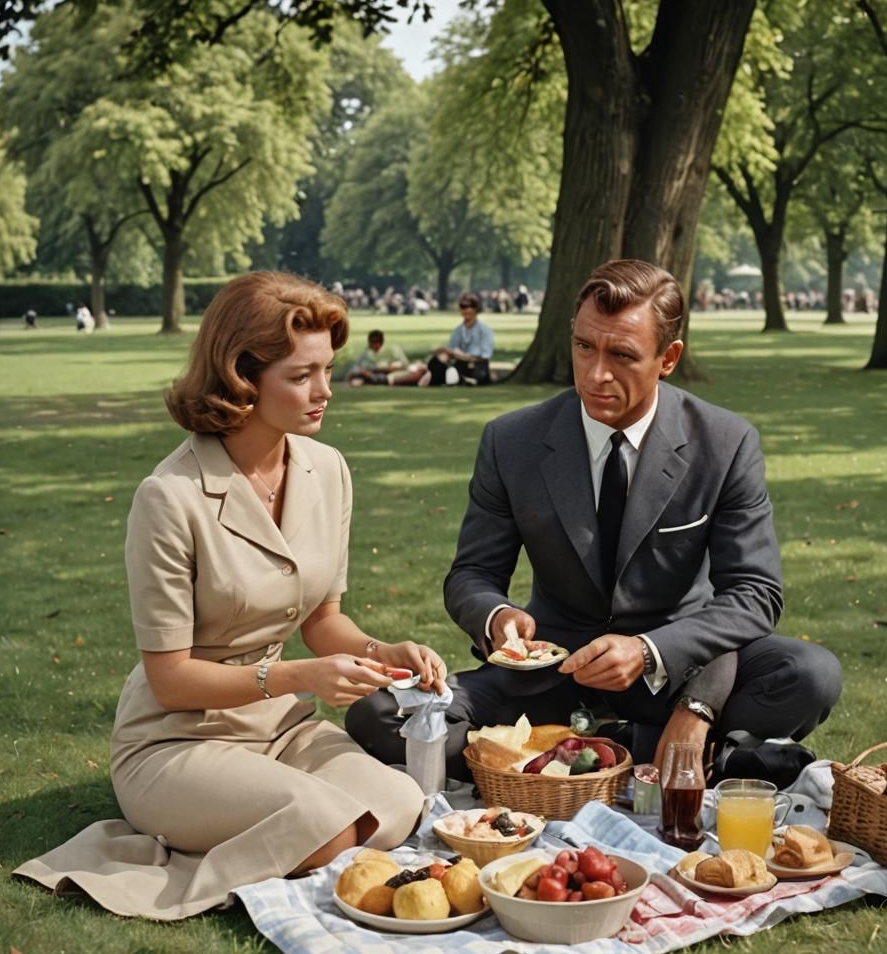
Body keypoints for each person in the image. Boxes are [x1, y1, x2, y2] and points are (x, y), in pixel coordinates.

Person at [14, 271, 445, 920]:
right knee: (326, 826)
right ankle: (185, 847)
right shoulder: (169, 498)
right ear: (243, 376)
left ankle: (259, 835)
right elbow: (171, 682)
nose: (325, 391)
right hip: (175, 739)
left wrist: (389, 651)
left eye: (327, 369)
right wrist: (303, 674)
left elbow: (325, 620)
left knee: (399, 802)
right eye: (301, 376)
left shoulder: (326, 470)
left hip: (278, 728)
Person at [347, 259, 842, 787]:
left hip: (677, 671)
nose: (595, 373)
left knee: (811, 675)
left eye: (622, 355)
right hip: (546, 675)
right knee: (380, 715)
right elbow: (471, 575)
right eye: (585, 347)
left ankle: (567, 756)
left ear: (668, 358)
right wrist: (496, 618)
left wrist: (673, 678)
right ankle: (656, 755)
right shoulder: (510, 440)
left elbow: (753, 593)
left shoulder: (725, 442)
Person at [425, 292, 495, 386]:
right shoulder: (458, 330)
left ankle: (463, 380)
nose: (465, 310)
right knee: (435, 362)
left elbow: (484, 356)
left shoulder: (485, 330)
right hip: (460, 364)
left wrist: (459, 355)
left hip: (477, 366)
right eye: (462, 307)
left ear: (476, 309)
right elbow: (451, 351)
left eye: (468, 306)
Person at [344, 329, 428, 386]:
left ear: (381, 342)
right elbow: (359, 367)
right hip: (374, 373)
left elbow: (404, 364)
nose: (375, 345)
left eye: (377, 342)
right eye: (373, 343)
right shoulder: (366, 354)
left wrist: (391, 366)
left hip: (393, 373)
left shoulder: (393, 350)